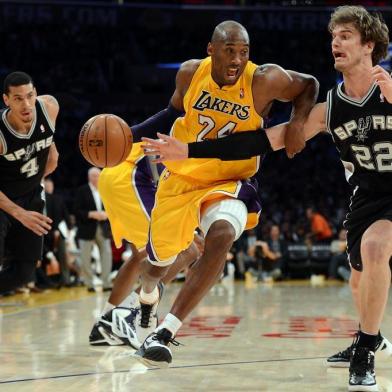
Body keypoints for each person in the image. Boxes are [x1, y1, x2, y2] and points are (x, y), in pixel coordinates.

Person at [142, 7, 392, 390]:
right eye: (333, 36)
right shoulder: (332, 108)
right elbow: (261, 141)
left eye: (345, 36)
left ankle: (366, 354)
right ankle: (369, 335)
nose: (335, 43)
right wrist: (189, 151)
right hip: (366, 197)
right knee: (361, 282)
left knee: (376, 250)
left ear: (368, 46)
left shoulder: (391, 87)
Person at [129, 19, 318, 368]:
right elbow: (172, 112)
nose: (236, 60)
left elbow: (308, 85)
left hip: (230, 181)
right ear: (210, 50)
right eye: (229, 51)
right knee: (156, 265)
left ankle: (165, 332)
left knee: (221, 234)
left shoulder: (263, 79)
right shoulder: (188, 74)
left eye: (243, 52)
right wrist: (131, 133)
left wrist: (296, 121)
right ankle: (147, 294)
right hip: (182, 179)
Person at [88, 143, 201, 348]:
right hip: (129, 178)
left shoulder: (178, 126)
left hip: (113, 176)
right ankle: (124, 315)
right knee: (187, 250)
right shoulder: (195, 149)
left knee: (141, 255)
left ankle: (105, 323)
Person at [0, 71, 58, 294]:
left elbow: (50, 143)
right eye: (18, 98)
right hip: (3, 200)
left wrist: (52, 151)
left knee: (23, 273)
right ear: (6, 100)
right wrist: (20, 214)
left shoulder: (50, 107)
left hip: (31, 195)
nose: (26, 104)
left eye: (30, 96)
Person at [74, 167, 113, 292]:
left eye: (98, 175)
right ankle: (89, 283)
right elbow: (76, 211)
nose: (96, 178)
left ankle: (106, 282)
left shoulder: (106, 190)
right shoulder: (82, 191)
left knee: (106, 254)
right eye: (93, 176)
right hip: (86, 228)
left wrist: (107, 214)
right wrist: (91, 214)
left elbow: (113, 207)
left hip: (103, 227)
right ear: (89, 177)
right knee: (85, 257)